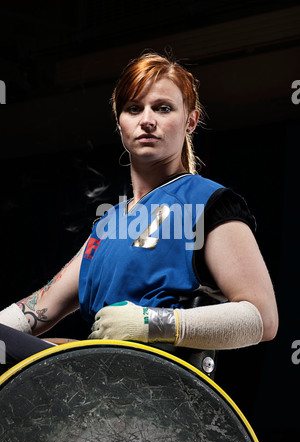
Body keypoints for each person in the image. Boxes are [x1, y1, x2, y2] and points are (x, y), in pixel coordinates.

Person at [0, 52, 278, 372]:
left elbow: (262, 318)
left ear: (191, 120)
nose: (147, 119)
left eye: (163, 108)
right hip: (90, 393)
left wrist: (152, 323)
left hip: (161, 398)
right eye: (134, 108)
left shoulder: (208, 203)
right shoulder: (110, 224)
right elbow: (35, 310)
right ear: (120, 124)